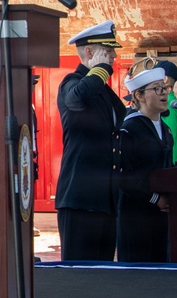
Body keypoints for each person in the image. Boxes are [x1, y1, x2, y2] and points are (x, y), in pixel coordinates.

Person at [54, 20, 126, 261]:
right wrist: (101, 70)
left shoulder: (103, 90)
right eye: (107, 52)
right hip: (80, 199)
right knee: (78, 274)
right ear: (89, 52)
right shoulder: (72, 83)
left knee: (102, 273)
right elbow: (76, 100)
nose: (114, 56)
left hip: (104, 198)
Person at [116, 67, 175, 262]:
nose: (164, 93)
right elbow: (125, 177)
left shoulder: (165, 130)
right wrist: (155, 198)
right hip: (136, 214)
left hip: (161, 213)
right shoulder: (130, 128)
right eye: (157, 89)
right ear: (139, 95)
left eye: (165, 88)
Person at [155, 60, 177, 166]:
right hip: (176, 160)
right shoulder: (176, 102)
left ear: (165, 78)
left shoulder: (168, 104)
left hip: (171, 162)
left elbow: (168, 137)